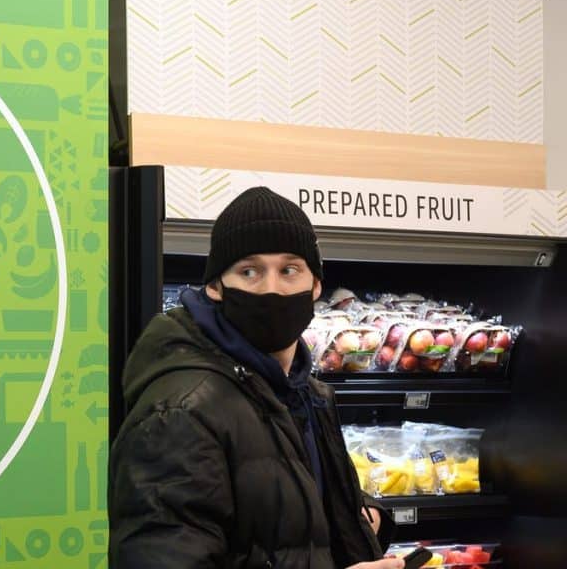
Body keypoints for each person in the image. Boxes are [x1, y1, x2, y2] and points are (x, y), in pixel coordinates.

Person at [109, 187, 401, 569]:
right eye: (249, 271)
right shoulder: (180, 412)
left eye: (289, 270)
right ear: (215, 286)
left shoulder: (305, 394)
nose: (271, 289)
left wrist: (355, 514)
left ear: (315, 286)